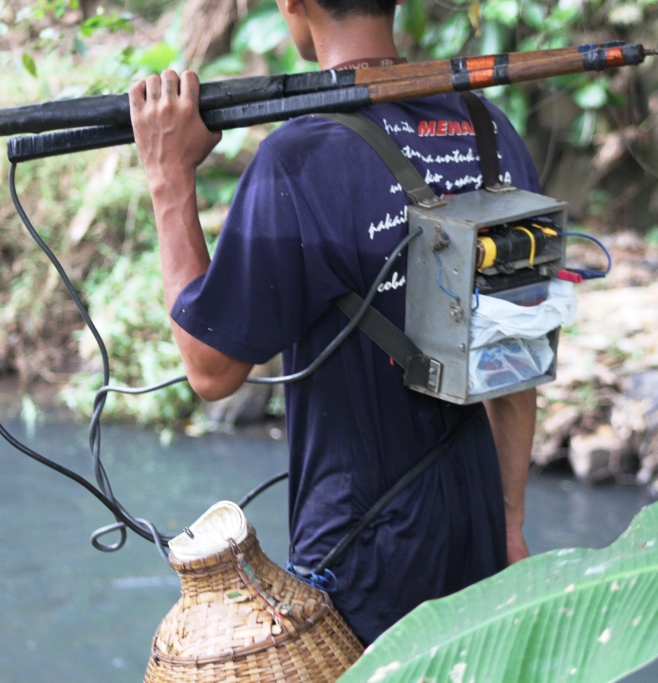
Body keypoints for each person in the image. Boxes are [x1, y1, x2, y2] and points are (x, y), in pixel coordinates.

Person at [128, 0, 539, 645]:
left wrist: (168, 177)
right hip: (479, 529)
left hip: (360, 557)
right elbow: (514, 368)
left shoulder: (298, 159)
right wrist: (509, 526)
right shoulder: (493, 132)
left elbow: (210, 370)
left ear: (295, 4)